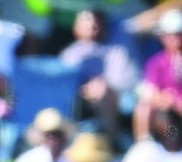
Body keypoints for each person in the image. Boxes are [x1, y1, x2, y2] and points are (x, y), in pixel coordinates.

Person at [59, 8, 139, 139]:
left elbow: (150, 20)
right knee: (99, 91)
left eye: (96, 19)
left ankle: (155, 143)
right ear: (75, 27)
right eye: (86, 20)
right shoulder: (71, 55)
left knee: (156, 104)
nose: (92, 24)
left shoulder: (123, 32)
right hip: (101, 99)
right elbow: (68, 87)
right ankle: (113, 142)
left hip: (137, 91)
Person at [134, 9, 182, 140]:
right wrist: (168, 100)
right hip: (167, 112)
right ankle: (146, 143)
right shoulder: (156, 63)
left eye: (178, 34)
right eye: (170, 35)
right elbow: (151, 92)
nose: (175, 38)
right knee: (146, 109)